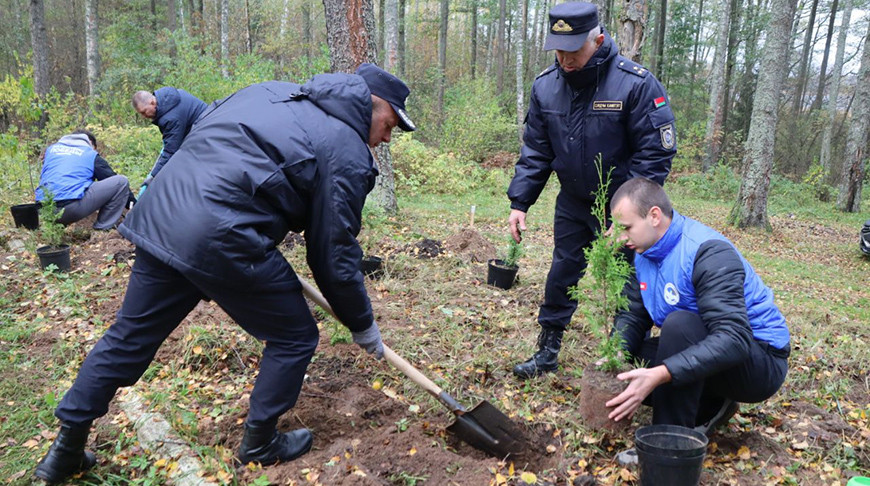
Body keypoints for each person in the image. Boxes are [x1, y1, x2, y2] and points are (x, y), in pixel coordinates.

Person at [34, 63, 416, 484]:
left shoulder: (271, 90)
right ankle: (260, 442)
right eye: (390, 125)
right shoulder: (347, 149)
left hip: (163, 213)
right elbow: (333, 252)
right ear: (372, 104)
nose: (385, 138)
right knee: (295, 335)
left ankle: (64, 451)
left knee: (128, 336)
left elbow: (203, 132)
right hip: (223, 236)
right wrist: (362, 323)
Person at [509, 1, 677, 379]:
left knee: (628, 281)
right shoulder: (546, 86)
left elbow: (656, 153)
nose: (564, 60)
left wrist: (627, 214)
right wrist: (520, 201)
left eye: (573, 51)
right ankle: (547, 349)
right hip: (573, 201)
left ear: (597, 39)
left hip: (624, 209)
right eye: (558, 50)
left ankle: (620, 355)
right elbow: (536, 150)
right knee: (562, 271)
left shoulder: (634, 83)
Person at [605, 177, 789, 439]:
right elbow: (633, 313)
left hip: (759, 359)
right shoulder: (643, 253)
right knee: (629, 362)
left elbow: (733, 339)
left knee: (679, 327)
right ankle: (709, 406)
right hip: (709, 346)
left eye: (627, 227)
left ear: (654, 216)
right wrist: (615, 353)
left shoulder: (707, 252)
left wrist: (661, 373)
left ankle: (669, 439)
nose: (621, 237)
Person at [35, 130, 136, 230]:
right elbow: (111, 178)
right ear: (90, 143)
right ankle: (102, 229)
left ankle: (54, 229)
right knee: (121, 182)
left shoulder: (51, 151)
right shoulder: (90, 154)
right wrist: (135, 206)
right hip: (69, 210)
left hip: (42, 209)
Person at [131, 86, 207, 193]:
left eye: (144, 112)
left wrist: (153, 176)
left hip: (206, 135)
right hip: (202, 127)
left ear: (152, 102)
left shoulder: (170, 117)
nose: (144, 116)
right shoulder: (169, 96)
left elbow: (170, 150)